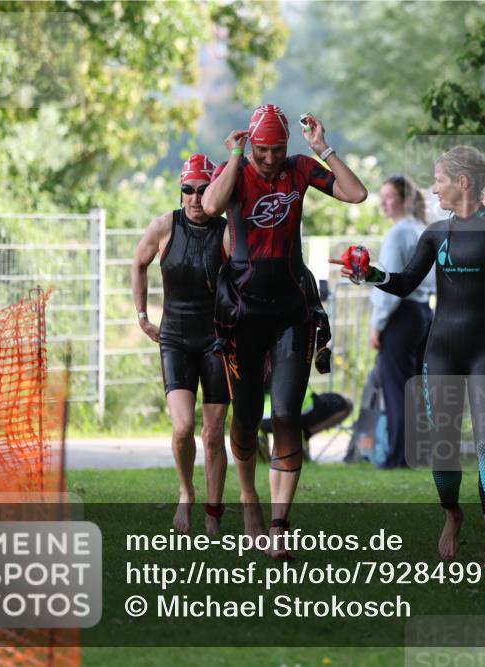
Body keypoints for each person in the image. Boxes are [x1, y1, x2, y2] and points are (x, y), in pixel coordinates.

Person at [332, 145, 485, 570]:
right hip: (441, 349)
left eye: (440, 179)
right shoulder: (434, 233)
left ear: (463, 182)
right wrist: (368, 274)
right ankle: (452, 514)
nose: (435, 188)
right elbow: (406, 283)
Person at [201, 104, 367, 558]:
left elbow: (356, 194)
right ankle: (249, 497)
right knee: (248, 416)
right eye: (262, 150)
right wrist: (236, 157)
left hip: (292, 311)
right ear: (250, 144)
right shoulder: (234, 171)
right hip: (242, 313)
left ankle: (279, 526)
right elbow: (213, 206)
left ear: (287, 147)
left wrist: (324, 149)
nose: (269, 158)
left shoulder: (299, 170)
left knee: (289, 413)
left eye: (276, 150)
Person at [130, 154, 229, 535]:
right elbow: (138, 263)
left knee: (213, 433)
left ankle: (213, 512)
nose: (194, 197)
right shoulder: (164, 226)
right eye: (188, 189)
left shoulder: (225, 231)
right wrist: (142, 316)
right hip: (174, 337)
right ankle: (186, 492)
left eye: (203, 190)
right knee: (184, 427)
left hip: (216, 339)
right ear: (181, 190)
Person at [370, 176, 435, 469]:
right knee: (416, 388)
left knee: (397, 389)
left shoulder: (398, 234)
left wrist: (377, 324)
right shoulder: (422, 230)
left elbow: (391, 284)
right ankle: (417, 453)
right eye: (381, 196)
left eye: (389, 196)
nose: (384, 202)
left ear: (406, 200)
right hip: (424, 312)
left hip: (402, 314)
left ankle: (398, 456)